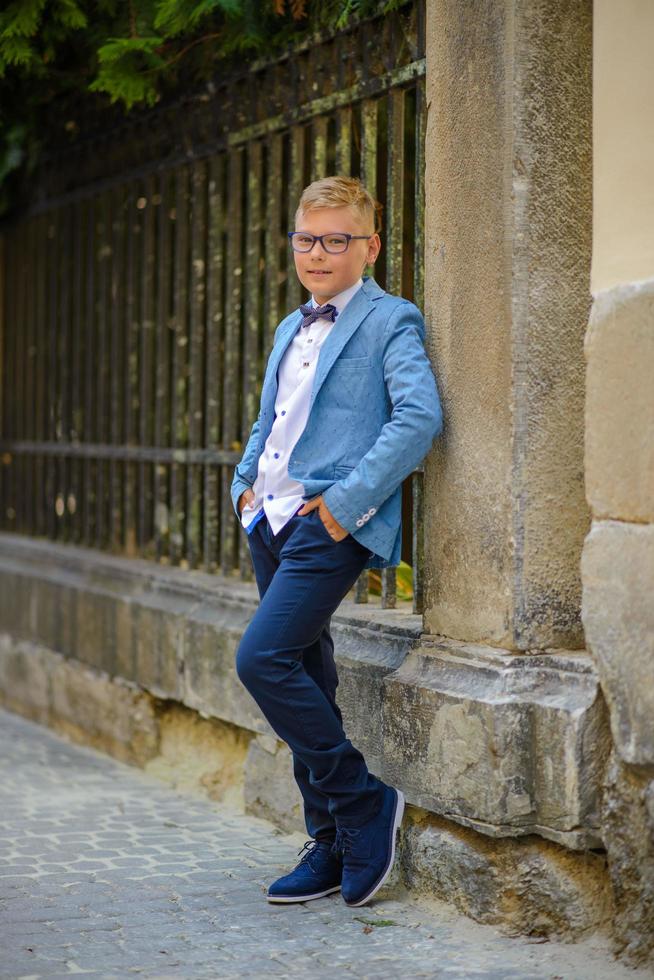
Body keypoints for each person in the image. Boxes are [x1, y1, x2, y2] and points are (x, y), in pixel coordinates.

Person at [230, 175, 443, 908]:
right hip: (272, 519)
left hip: (328, 522)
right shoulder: (292, 326)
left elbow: (418, 418)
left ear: (369, 246)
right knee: (305, 676)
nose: (318, 252)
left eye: (336, 239)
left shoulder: (391, 320)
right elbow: (272, 422)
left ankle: (362, 804)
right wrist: (243, 485)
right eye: (306, 238)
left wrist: (344, 506)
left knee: (260, 659)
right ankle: (329, 841)